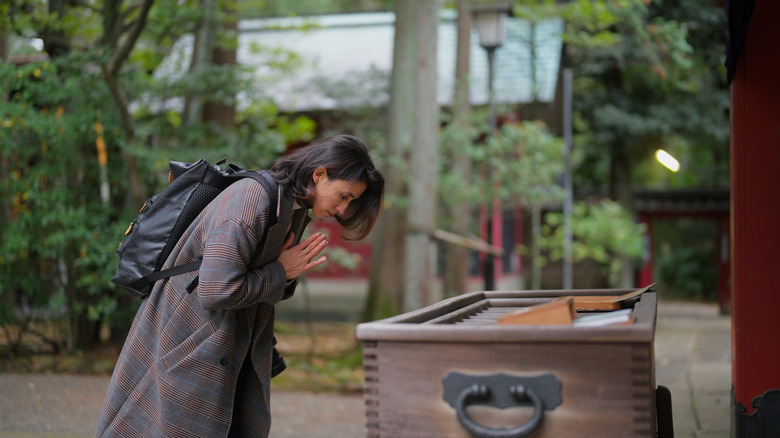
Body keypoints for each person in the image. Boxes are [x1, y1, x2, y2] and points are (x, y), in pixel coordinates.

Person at [95, 135, 384, 437]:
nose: (342, 209)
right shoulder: (251, 201)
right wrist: (281, 271)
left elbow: (263, 278)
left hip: (224, 346)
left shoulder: (290, 208)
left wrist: (283, 273)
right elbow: (217, 290)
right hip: (187, 340)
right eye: (344, 196)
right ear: (320, 174)